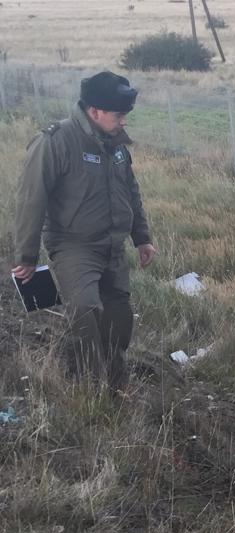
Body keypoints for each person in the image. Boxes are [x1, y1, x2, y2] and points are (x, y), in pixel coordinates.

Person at [11, 71, 156, 390]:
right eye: (119, 115)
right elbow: (31, 198)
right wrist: (27, 255)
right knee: (85, 310)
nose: (124, 122)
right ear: (95, 112)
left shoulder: (117, 145)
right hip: (73, 246)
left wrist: (142, 237)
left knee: (118, 321)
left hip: (113, 248)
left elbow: (130, 190)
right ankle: (91, 386)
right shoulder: (55, 141)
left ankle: (117, 385)